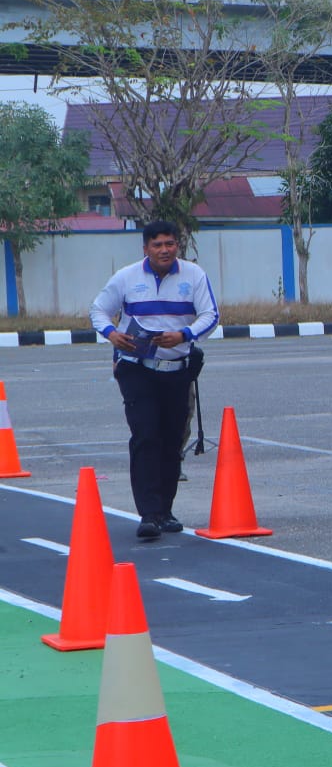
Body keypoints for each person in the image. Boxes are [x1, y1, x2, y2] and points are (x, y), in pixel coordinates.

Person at [89, 220, 220, 540]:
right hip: (137, 367)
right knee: (145, 435)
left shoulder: (194, 275)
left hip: (177, 370)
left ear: (178, 245)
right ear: (145, 248)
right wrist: (112, 334)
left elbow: (211, 315)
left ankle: (165, 511)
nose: (165, 250)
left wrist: (183, 335)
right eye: (158, 245)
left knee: (171, 440)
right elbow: (98, 310)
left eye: (170, 244)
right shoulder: (126, 277)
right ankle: (148, 514)